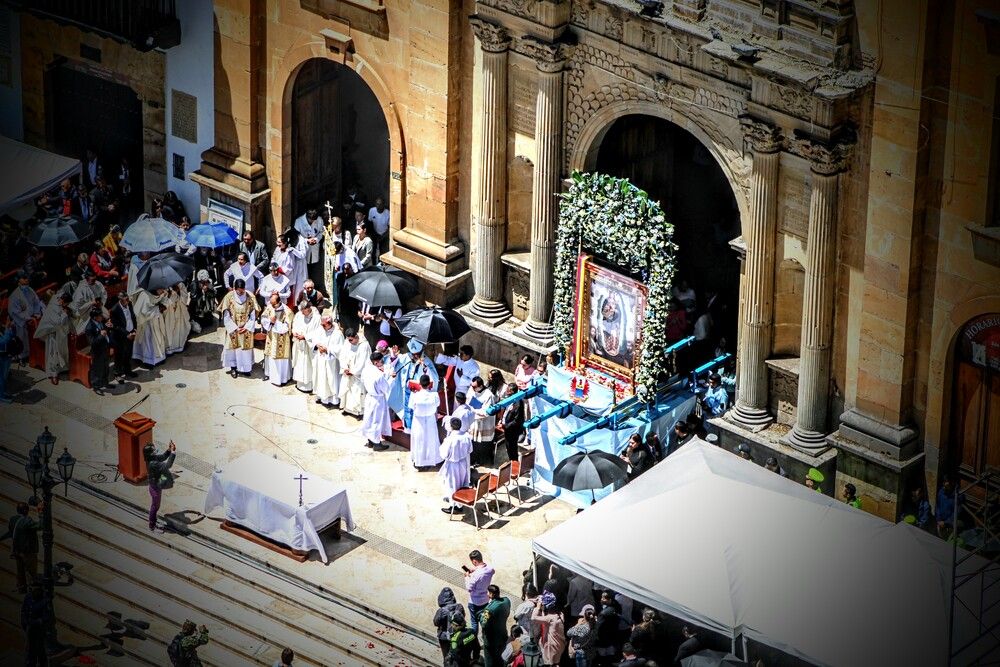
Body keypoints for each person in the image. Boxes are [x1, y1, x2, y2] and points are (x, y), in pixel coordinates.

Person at [388, 339, 440, 429]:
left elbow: (434, 377)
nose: (415, 356)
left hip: (419, 392)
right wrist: (394, 357)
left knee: (417, 411)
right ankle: (408, 427)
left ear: (422, 351)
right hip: (407, 390)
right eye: (413, 354)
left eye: (418, 354)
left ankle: (417, 427)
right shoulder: (406, 357)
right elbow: (395, 364)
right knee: (407, 409)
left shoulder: (426, 361)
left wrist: (425, 368)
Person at [218, 279, 258, 377]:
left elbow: (253, 314)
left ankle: (245, 368)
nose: (241, 293)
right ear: (234, 289)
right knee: (233, 349)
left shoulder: (250, 297)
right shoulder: (229, 297)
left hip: (246, 328)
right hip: (233, 327)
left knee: (245, 350)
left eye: (242, 291)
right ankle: (233, 368)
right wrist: (235, 328)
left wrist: (247, 327)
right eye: (238, 291)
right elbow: (226, 315)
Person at [34, 292, 72, 384]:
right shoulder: (52, 307)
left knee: (62, 351)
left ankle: (62, 369)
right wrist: (64, 314)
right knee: (53, 354)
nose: (66, 305)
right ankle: (53, 374)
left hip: (61, 333)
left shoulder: (60, 301)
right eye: (66, 303)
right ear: (62, 300)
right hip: (52, 333)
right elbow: (56, 323)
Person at [409, 374, 444, 469]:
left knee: (419, 441)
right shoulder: (434, 395)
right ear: (429, 384)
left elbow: (411, 407)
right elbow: (437, 405)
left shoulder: (414, 395)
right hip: (430, 421)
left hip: (418, 422)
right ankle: (431, 460)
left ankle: (418, 461)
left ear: (419, 384)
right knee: (430, 440)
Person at [439, 418, 473, 514]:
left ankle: (454, 506)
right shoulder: (466, 436)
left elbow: (444, 454)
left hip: (453, 465)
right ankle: (458, 501)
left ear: (451, 426)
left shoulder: (449, 439)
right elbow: (470, 450)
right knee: (461, 483)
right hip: (463, 463)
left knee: (452, 485)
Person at [8, 271, 43, 361]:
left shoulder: (30, 290)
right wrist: (28, 318)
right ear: (19, 282)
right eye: (24, 281)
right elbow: (14, 312)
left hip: (32, 318)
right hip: (20, 321)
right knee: (21, 333)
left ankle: (34, 353)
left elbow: (36, 302)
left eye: (27, 281)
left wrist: (37, 313)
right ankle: (22, 355)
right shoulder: (14, 295)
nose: (26, 282)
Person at [360, 352, 392, 451]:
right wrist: (391, 378)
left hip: (369, 397)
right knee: (376, 421)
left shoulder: (366, 370)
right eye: (382, 361)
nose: (383, 362)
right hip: (378, 399)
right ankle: (377, 444)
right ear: (376, 362)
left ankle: (370, 441)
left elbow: (363, 380)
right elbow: (386, 388)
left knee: (369, 420)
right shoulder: (378, 374)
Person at [5, 501, 39, 593]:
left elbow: (10, 533)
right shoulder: (27, 520)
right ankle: (32, 590)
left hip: (17, 551)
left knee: (20, 571)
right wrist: (41, 513)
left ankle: (22, 588)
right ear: (25, 510)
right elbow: (40, 526)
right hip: (28, 551)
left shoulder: (13, 519)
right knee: (31, 571)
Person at [310, 315, 343, 408]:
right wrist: (317, 346)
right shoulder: (321, 330)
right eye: (321, 324)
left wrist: (327, 349)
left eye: (324, 325)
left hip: (331, 362)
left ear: (329, 324)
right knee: (321, 378)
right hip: (321, 359)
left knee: (331, 379)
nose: (322, 326)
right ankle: (321, 397)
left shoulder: (338, 334)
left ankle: (333, 400)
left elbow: (340, 349)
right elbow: (314, 339)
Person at [260, 292, 293, 385]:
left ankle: (282, 378)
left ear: (279, 302)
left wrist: (275, 322)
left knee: (281, 358)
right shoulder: (270, 307)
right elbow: (263, 319)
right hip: (271, 337)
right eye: (271, 303)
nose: (271, 306)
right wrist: (269, 321)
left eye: (273, 304)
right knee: (270, 355)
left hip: (282, 338)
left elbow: (286, 327)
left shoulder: (287, 311)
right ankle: (269, 374)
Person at [338, 327, 371, 417]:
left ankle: (358, 412)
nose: (350, 342)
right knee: (347, 390)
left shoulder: (364, 345)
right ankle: (347, 409)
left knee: (357, 392)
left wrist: (353, 371)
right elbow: (342, 355)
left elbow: (363, 361)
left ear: (356, 337)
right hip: (348, 371)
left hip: (357, 374)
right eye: (348, 340)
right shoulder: (347, 342)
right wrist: (345, 367)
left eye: (351, 340)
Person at [145, 440, 176, 531]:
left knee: (155, 506)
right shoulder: (154, 463)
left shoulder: (151, 458)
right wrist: (173, 452)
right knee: (155, 507)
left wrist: (169, 450)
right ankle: (152, 525)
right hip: (155, 489)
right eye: (154, 450)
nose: (155, 451)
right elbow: (168, 465)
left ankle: (153, 521)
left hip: (155, 485)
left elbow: (162, 457)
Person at [132, 288, 168, 367]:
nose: (161, 290)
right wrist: (157, 308)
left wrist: (163, 297)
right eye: (160, 289)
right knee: (148, 342)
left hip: (157, 321)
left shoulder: (156, 294)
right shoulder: (144, 295)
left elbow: (161, 302)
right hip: (147, 324)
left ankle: (159, 358)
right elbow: (144, 312)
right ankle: (148, 361)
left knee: (159, 339)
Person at [435, 345, 480, 409]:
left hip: (466, 391)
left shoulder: (474, 367)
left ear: (467, 356)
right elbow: (449, 360)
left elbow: (474, 382)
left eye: (462, 354)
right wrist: (438, 356)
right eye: (460, 353)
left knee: (463, 409)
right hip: (457, 389)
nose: (459, 355)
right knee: (456, 408)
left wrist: (462, 376)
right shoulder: (459, 359)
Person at [291, 301, 321, 392]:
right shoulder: (299, 315)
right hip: (299, 344)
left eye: (303, 311)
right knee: (299, 363)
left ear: (308, 309)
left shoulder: (317, 318)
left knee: (309, 366)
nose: (302, 313)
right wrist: (294, 332)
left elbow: (318, 332)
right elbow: (294, 324)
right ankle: (300, 384)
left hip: (309, 346)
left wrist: (305, 337)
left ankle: (309, 386)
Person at [468, 376, 498, 465]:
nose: (472, 388)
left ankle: (481, 461)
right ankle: (473, 459)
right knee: (473, 442)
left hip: (484, 423)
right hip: (474, 421)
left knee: (482, 444)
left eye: (474, 387)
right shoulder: (472, 390)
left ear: (481, 386)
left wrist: (473, 410)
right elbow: (468, 400)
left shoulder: (489, 395)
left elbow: (486, 412)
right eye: (472, 386)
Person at [271, 233, 309, 304]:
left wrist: (279, 270)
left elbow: (290, 266)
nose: (277, 244)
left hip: (286, 276)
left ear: (285, 243)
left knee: (287, 295)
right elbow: (273, 258)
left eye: (279, 242)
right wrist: (273, 266)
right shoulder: (277, 249)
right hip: (276, 275)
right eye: (277, 242)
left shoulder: (289, 252)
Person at [109, 291, 138, 380]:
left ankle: (127, 371)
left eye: (128, 299)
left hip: (131, 333)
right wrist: (127, 334)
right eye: (126, 300)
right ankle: (117, 374)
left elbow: (133, 317)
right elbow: (116, 326)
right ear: (121, 300)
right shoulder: (114, 310)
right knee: (119, 355)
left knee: (128, 354)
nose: (128, 301)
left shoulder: (129, 305)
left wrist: (134, 329)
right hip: (120, 336)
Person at [480, 584, 511, 667]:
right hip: (502, 636)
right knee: (500, 659)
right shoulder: (506, 601)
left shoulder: (489, 609)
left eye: (488, 592)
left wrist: (481, 615)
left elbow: (483, 624)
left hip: (491, 640)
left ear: (491, 594)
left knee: (489, 661)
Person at [465, 550, 495, 634]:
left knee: (474, 622)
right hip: (485, 600)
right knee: (484, 621)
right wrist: (476, 569)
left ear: (474, 561)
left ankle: (474, 639)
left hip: (474, 602)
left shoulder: (476, 575)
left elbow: (469, 588)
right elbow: (492, 570)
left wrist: (467, 577)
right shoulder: (490, 569)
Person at [532, 594, 566, 667]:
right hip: (559, 644)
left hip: (552, 646)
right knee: (556, 663)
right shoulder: (560, 614)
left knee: (551, 664)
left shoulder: (550, 618)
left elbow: (533, 618)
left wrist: (538, 607)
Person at [85, 307, 114, 393]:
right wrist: (101, 335)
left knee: (105, 367)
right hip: (97, 352)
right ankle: (96, 386)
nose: (102, 317)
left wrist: (107, 327)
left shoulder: (100, 322)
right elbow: (92, 342)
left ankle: (105, 382)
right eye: (100, 315)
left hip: (104, 348)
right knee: (97, 369)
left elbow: (105, 332)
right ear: (95, 317)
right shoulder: (89, 327)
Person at [21, 582, 49, 667]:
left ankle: (42, 663)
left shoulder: (44, 600)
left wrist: (35, 622)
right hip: (29, 627)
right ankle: (30, 663)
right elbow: (24, 610)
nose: (33, 591)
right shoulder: (28, 597)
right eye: (32, 589)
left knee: (40, 648)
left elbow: (45, 616)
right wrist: (25, 622)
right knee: (30, 648)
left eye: (36, 589)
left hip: (39, 629)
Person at [434, 588, 467, 660]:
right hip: (458, 635)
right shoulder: (459, 606)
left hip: (444, 637)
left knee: (447, 657)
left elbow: (436, 623)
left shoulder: (441, 611)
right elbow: (462, 617)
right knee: (458, 655)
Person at [500, 382, 526, 464]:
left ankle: (514, 463)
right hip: (506, 428)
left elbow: (517, 420)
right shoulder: (509, 400)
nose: (506, 392)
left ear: (512, 392)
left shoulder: (518, 403)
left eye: (508, 390)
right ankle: (511, 461)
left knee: (512, 447)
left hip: (512, 430)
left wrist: (506, 426)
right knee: (508, 446)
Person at [164, 282, 192, 355]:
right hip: (169, 311)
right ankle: (169, 347)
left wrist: (178, 290)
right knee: (169, 328)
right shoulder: (164, 284)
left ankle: (178, 346)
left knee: (179, 328)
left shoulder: (180, 284)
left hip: (179, 309)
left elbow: (184, 296)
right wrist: (169, 294)